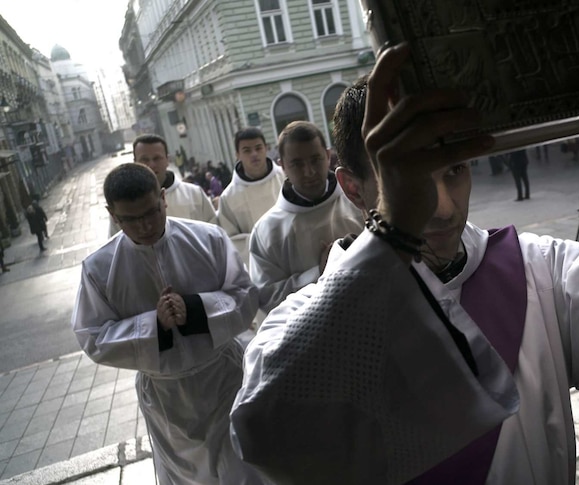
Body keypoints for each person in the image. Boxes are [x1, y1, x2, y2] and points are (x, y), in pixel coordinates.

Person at [230, 37, 579, 485]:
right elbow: (272, 441)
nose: (445, 208)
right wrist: (394, 232)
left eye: (454, 170)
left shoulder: (537, 271)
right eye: (409, 181)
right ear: (353, 187)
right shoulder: (299, 325)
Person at [71, 163, 265, 485]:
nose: (145, 225)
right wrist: (154, 325)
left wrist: (197, 309)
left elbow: (245, 296)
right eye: (129, 219)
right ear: (112, 214)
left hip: (222, 379)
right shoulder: (99, 269)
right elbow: (93, 337)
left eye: (151, 212)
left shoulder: (208, 238)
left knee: (244, 472)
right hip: (166, 398)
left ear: (163, 198)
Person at [247, 121, 364, 314]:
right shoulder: (267, 231)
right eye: (297, 164)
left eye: (316, 160)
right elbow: (267, 298)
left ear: (328, 156)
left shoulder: (358, 201)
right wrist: (318, 272)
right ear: (282, 165)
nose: (309, 172)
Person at [109, 135, 216, 236]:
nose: (151, 164)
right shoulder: (122, 204)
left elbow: (215, 233)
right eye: (144, 159)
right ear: (135, 162)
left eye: (157, 158)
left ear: (167, 160)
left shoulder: (194, 194)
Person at [216, 128, 285, 265]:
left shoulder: (285, 177)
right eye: (247, 150)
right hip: (260, 266)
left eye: (258, 148)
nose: (254, 154)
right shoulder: (229, 197)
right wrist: (264, 243)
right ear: (238, 154)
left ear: (266, 148)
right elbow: (230, 240)